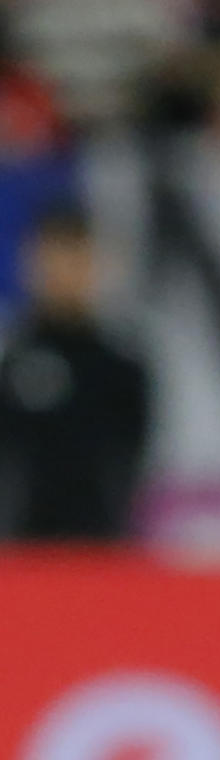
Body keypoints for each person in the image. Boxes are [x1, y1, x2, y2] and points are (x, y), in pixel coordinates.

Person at [0, 206, 150, 538]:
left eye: (77, 258)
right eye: (54, 257)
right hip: (22, 551)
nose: (65, 272)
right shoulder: (11, 361)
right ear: (31, 264)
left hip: (101, 549)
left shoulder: (122, 366)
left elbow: (132, 463)